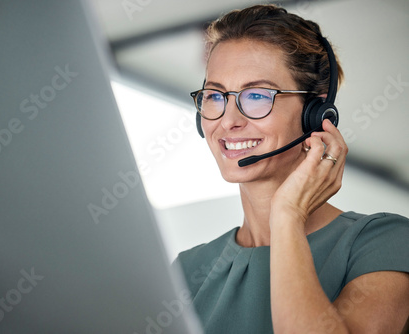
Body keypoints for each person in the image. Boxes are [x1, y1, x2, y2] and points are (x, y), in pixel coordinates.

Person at [174, 4, 409, 333]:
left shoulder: (383, 242)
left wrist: (286, 216)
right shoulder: (186, 271)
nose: (228, 121)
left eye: (256, 95)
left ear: (316, 112)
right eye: (215, 96)